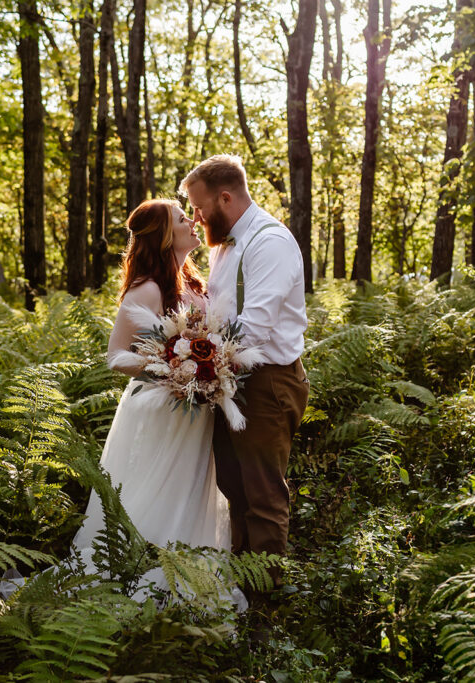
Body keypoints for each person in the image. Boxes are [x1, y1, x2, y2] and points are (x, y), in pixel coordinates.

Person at [0, 198, 231, 601]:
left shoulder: (194, 282)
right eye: (181, 219)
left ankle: (194, 574)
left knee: (193, 488)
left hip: (198, 407)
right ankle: (142, 577)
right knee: (158, 490)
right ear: (163, 235)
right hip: (162, 407)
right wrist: (169, 366)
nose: (192, 222)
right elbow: (116, 356)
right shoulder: (147, 289)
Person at [180, 155, 310, 607]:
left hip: (267, 383)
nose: (196, 218)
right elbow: (218, 315)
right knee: (233, 488)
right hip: (228, 381)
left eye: (198, 207)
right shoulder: (224, 245)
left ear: (225, 197)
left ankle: (265, 599)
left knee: (262, 493)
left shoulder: (270, 243)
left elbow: (253, 328)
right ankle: (239, 585)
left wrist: (198, 365)